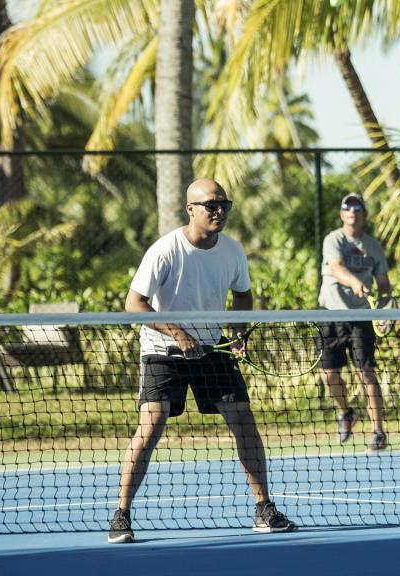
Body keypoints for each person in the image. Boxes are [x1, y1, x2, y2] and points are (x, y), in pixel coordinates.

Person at [108, 179, 296, 543]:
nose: (219, 211)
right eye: (210, 205)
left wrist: (239, 332)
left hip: (212, 348)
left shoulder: (233, 251)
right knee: (152, 425)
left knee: (243, 420)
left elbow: (243, 296)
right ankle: (121, 513)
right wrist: (178, 334)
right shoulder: (165, 250)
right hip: (163, 350)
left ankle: (264, 509)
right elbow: (135, 304)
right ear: (190, 209)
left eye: (224, 204)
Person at [318, 193, 393, 452]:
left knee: (367, 373)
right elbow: (336, 267)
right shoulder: (333, 239)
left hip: (362, 318)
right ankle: (346, 413)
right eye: (346, 207)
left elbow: (383, 285)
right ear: (342, 214)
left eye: (357, 206)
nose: (352, 210)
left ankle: (378, 432)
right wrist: (353, 281)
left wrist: (386, 307)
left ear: (364, 214)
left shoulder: (373, 246)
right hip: (331, 314)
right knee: (329, 375)